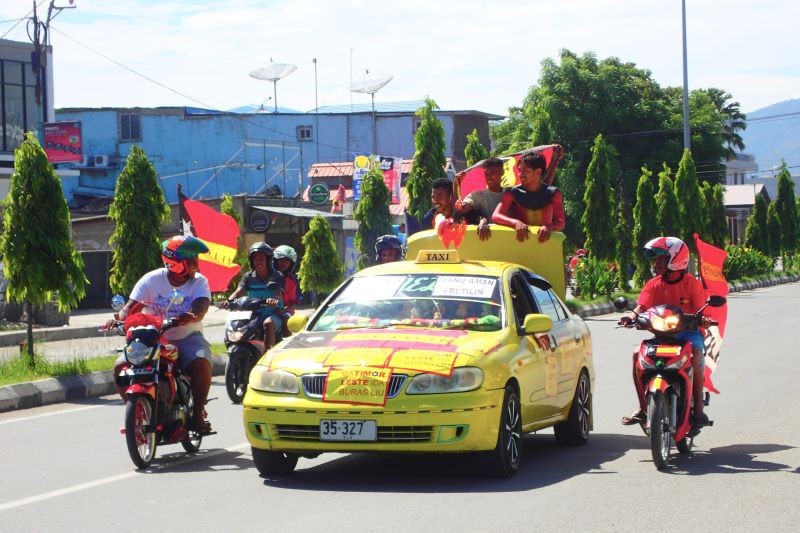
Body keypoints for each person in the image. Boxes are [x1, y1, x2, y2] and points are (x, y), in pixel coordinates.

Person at [111, 235, 213, 434]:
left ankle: (197, 414)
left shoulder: (199, 282)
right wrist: (118, 319)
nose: (196, 263)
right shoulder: (152, 279)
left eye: (196, 259)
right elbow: (131, 306)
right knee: (120, 366)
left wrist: (191, 316)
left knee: (201, 362)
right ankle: (138, 412)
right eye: (191, 259)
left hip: (187, 336)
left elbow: (201, 305)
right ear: (176, 263)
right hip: (153, 337)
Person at [618, 236, 710, 428]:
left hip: (688, 334)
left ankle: (699, 410)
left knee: (695, 353)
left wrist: (704, 319)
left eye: (662, 258)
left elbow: (701, 310)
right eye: (657, 258)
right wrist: (632, 316)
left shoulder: (692, 284)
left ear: (676, 259)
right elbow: (642, 306)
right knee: (636, 355)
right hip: (662, 335)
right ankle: (643, 408)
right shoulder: (654, 284)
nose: (657, 262)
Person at [492, 150, 566, 242]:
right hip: (521, 243)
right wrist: (516, 223)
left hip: (545, 244)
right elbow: (496, 216)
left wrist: (548, 227)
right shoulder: (512, 192)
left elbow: (561, 222)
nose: (520, 174)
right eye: (519, 171)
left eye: (525, 171)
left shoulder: (553, 193)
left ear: (538, 172)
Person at [222, 242, 284, 350]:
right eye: (256, 259)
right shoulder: (248, 277)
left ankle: (268, 355)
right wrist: (228, 301)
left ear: (268, 260)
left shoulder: (277, 276)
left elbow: (278, 295)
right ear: (252, 261)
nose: (258, 261)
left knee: (268, 323)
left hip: (273, 313)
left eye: (261, 258)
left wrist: (273, 301)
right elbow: (239, 291)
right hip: (253, 315)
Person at [458, 157, 505, 241]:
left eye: (492, 173)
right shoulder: (477, 195)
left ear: (502, 172)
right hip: (486, 240)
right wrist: (456, 186)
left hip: (508, 239)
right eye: (486, 174)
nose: (488, 177)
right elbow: (458, 212)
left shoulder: (510, 193)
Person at [273, 245, 300, 317]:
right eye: (281, 260)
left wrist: (283, 311)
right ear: (275, 261)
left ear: (291, 263)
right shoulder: (268, 277)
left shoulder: (292, 280)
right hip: (267, 311)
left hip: (286, 313)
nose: (284, 263)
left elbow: (293, 302)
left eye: (287, 261)